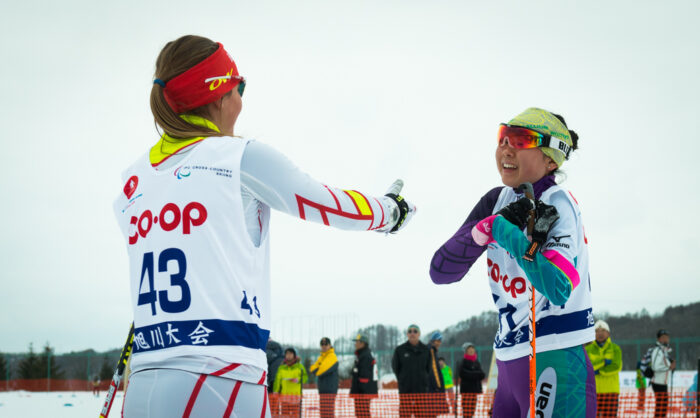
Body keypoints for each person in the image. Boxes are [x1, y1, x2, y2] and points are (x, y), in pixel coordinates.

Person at [114, 35, 415, 417]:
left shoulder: (132, 181)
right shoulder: (237, 157)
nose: (241, 98)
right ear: (220, 94)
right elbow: (323, 202)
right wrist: (390, 212)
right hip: (221, 375)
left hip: (145, 377)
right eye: (239, 86)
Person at [430, 108, 596, 418]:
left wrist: (510, 236)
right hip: (507, 360)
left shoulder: (560, 204)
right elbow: (441, 271)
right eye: (503, 137)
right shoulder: (496, 200)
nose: (506, 147)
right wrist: (482, 231)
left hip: (553, 353)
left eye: (521, 140)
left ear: (550, 158)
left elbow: (558, 288)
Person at [584, 320, 622, 417]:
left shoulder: (615, 348)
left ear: (608, 333)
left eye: (603, 330)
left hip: (611, 391)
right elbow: (588, 367)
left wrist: (599, 371)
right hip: (592, 391)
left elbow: (616, 366)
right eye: (597, 331)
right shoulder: (587, 349)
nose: (600, 333)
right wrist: (604, 362)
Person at [392, 324, 431, 417]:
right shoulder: (400, 350)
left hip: (421, 390)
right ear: (407, 334)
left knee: (421, 415)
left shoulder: (426, 350)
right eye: (410, 331)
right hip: (405, 390)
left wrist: (423, 378)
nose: (412, 333)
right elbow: (395, 367)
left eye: (415, 331)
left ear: (419, 334)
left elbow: (428, 368)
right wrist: (403, 379)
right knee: (405, 415)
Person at [273, 348, 308, 418]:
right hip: (284, 397)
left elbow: (305, 378)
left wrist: (298, 380)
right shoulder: (281, 367)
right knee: (285, 415)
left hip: (296, 397)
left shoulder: (300, 367)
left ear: (294, 355)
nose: (288, 355)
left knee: (295, 416)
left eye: (290, 353)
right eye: (287, 354)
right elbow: (277, 381)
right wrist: (275, 391)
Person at [350, 333, 378, 418]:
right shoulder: (362, 355)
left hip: (363, 392)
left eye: (357, 342)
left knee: (362, 414)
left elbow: (364, 377)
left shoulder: (365, 356)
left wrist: (361, 392)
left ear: (362, 343)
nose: (355, 344)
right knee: (361, 413)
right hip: (362, 391)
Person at [309, 337, 338, 418]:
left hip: (330, 390)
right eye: (322, 344)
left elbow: (321, 371)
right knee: (323, 413)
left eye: (326, 344)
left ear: (330, 345)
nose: (324, 346)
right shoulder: (322, 357)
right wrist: (318, 368)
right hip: (323, 389)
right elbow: (312, 368)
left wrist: (318, 368)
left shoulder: (332, 356)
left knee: (328, 413)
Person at [650, 329, 675, 417]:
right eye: (663, 337)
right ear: (658, 339)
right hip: (658, 383)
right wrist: (669, 367)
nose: (666, 339)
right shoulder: (658, 350)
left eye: (667, 337)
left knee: (663, 408)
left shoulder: (665, 351)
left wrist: (671, 366)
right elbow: (655, 367)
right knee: (661, 408)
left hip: (663, 383)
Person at [457, 342, 485, 418]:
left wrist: (473, 374)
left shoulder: (476, 362)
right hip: (466, 390)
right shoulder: (463, 362)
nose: (472, 351)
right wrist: (476, 374)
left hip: (475, 390)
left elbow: (482, 374)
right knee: (466, 410)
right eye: (469, 349)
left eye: (473, 349)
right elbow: (463, 373)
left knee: (472, 410)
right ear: (466, 351)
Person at [427, 331, 447, 416]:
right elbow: (433, 370)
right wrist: (438, 387)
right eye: (437, 340)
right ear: (432, 341)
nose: (439, 343)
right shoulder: (431, 350)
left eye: (440, 341)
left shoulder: (433, 351)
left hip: (430, 389)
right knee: (431, 414)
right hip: (433, 390)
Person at [266, 338, 285, 415]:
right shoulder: (281, 351)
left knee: (269, 401)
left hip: (269, 380)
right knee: (277, 400)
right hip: (280, 379)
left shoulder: (265, 351)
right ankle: (276, 414)